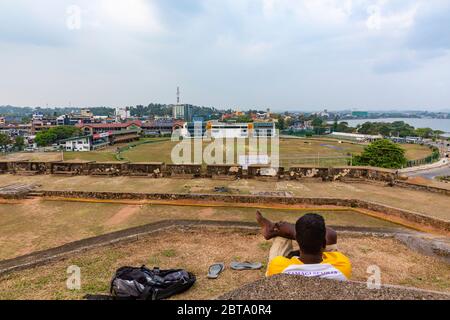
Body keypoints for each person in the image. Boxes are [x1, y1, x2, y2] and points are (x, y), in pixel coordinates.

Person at [256, 211, 351, 281]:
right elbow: (331, 234)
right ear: (324, 243)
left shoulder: (278, 267)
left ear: (297, 240)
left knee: (282, 238)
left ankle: (274, 229)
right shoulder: (342, 264)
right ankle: (275, 229)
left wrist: (292, 231)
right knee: (328, 235)